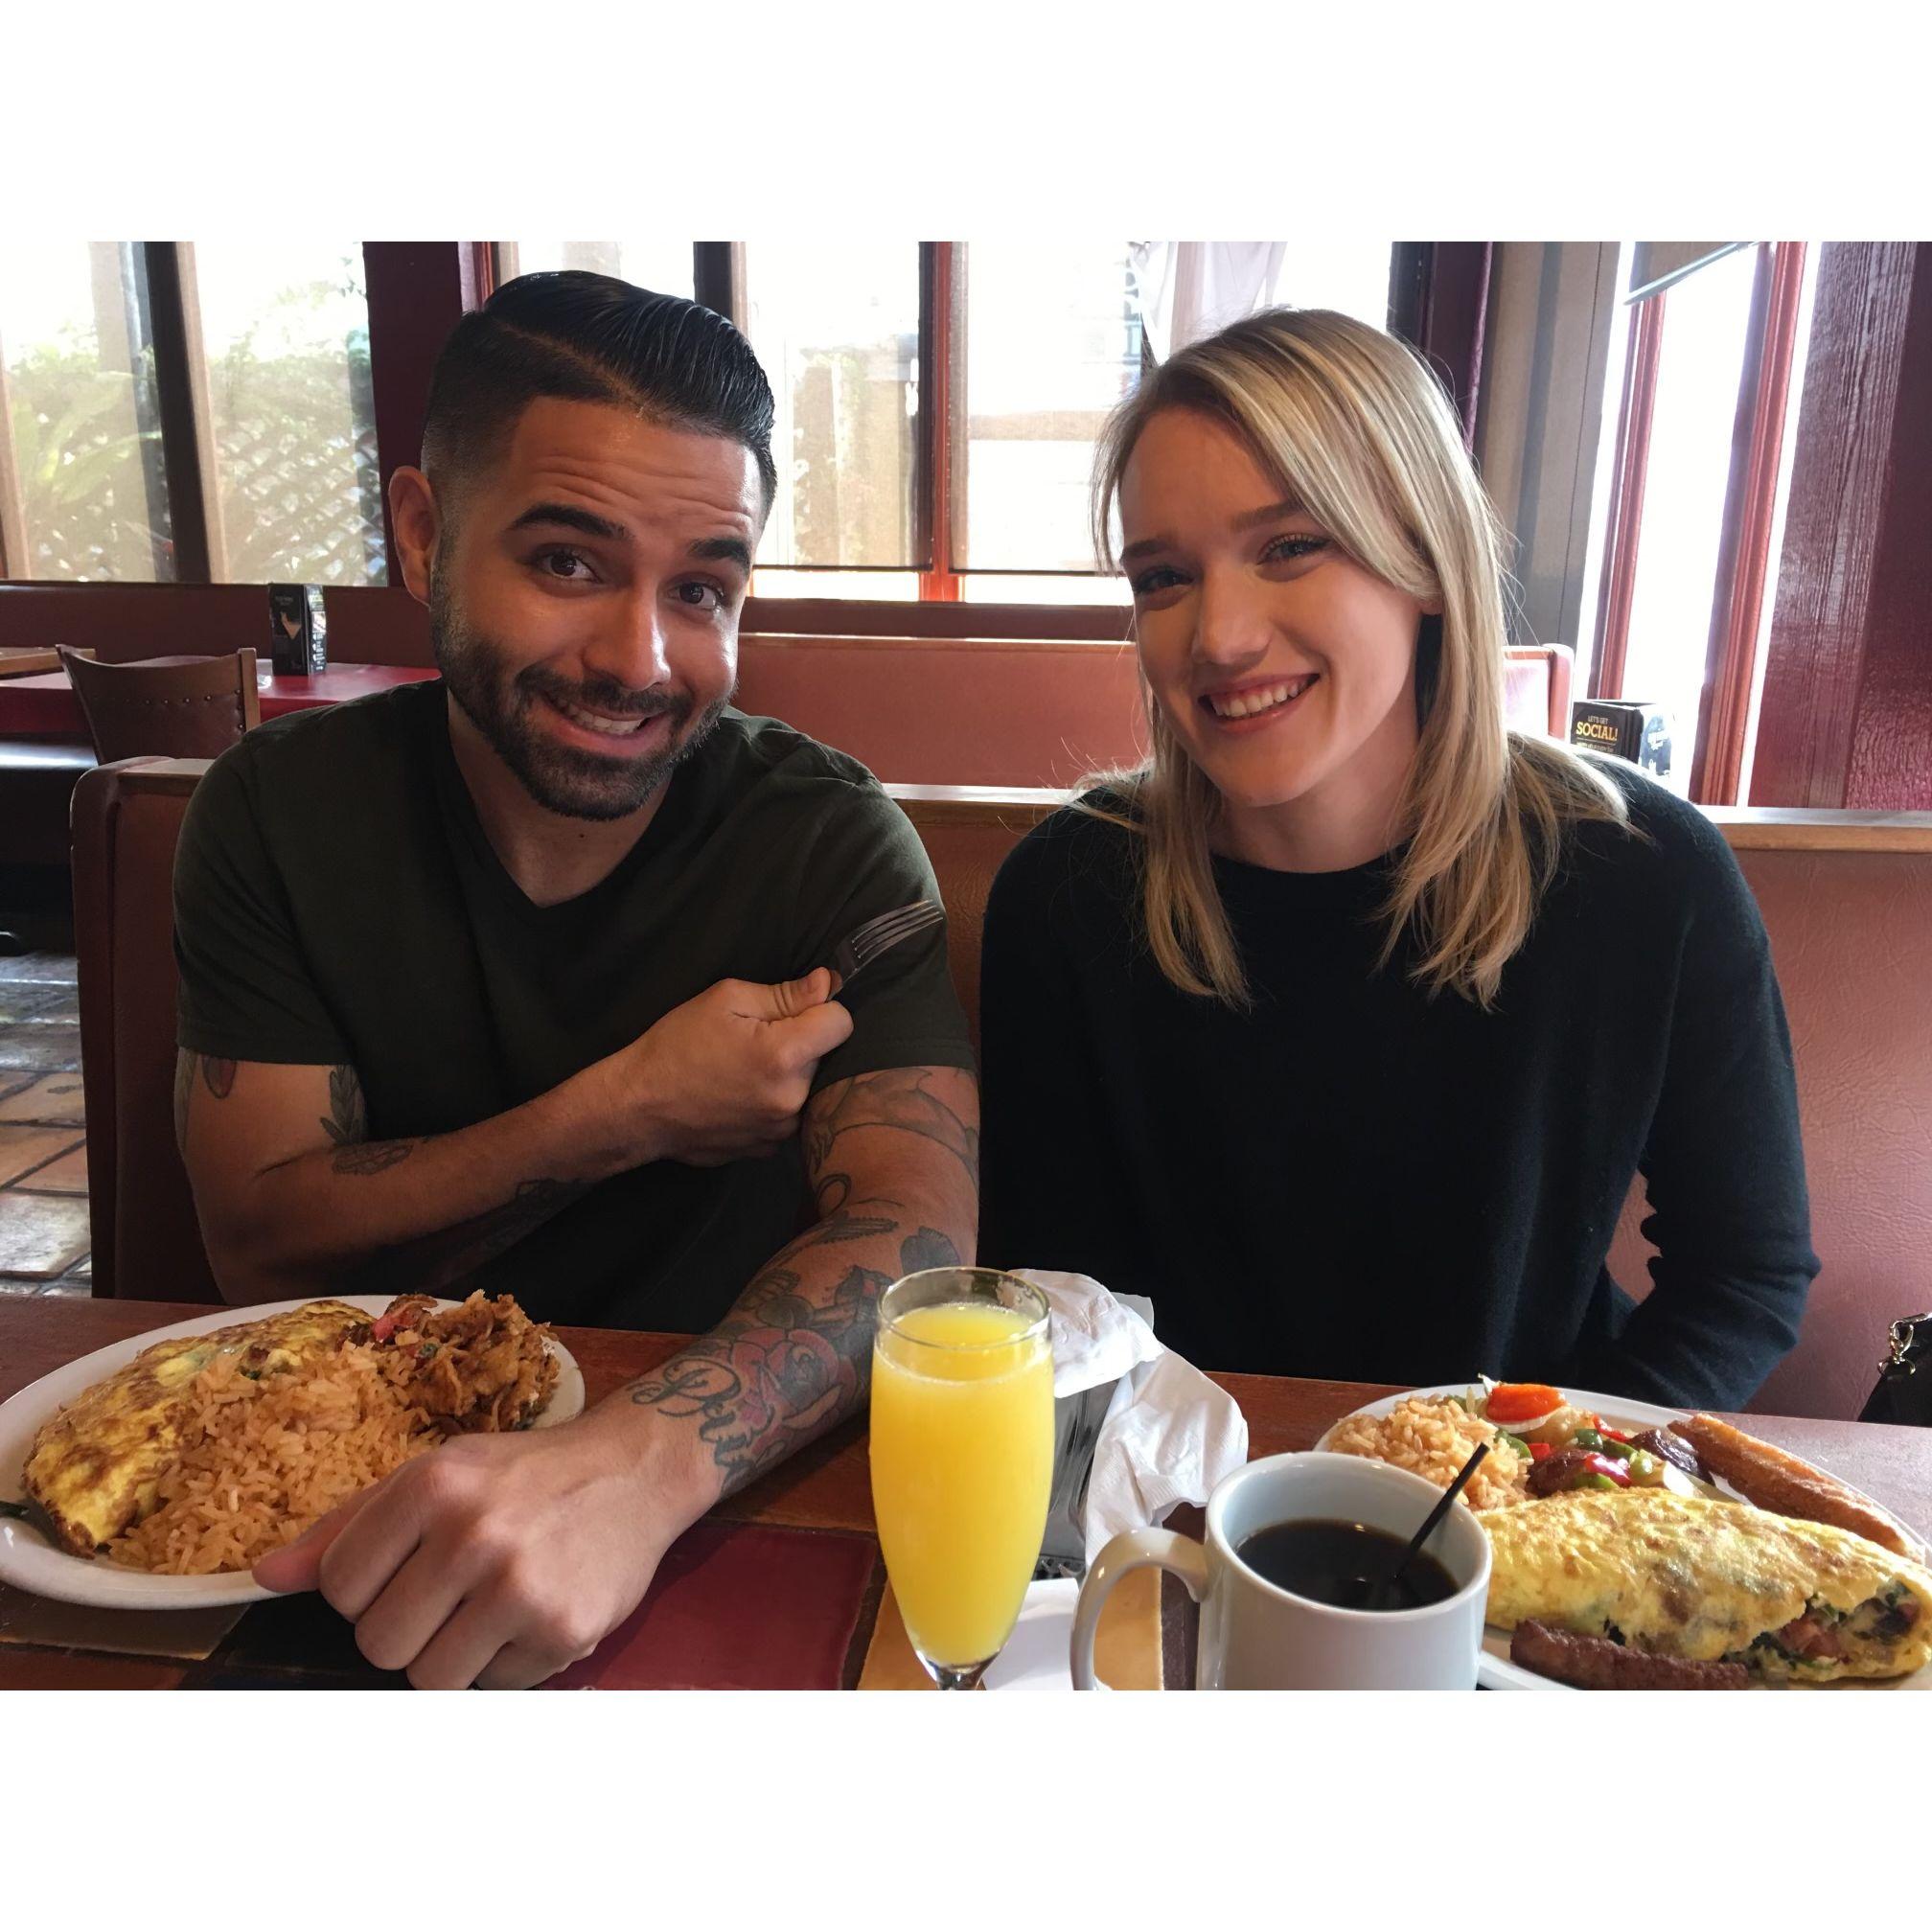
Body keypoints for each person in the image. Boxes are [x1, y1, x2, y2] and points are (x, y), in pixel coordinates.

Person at [172, 272, 978, 1687]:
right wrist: (622, 1112)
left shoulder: (827, 841)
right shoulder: (279, 814)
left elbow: (913, 1245)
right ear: (424, 535)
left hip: (714, 1514)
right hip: (317, 1504)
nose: (639, 659)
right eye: (565, 562)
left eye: (703, 589)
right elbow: (260, 1246)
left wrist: (639, 1472)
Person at [977, 307, 1816, 1409]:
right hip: (1180, 1483)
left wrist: (1548, 1469)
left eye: (1289, 547)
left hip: (1513, 1487)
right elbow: (1057, 1310)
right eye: (1164, 576)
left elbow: (1745, 1276)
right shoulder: (1069, 894)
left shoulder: (1643, 873)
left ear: (1424, 558)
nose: (1219, 636)